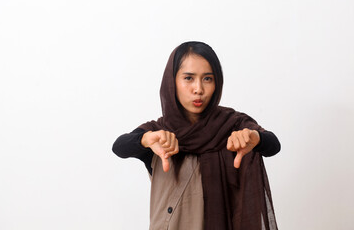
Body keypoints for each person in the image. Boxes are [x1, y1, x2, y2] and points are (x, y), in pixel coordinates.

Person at [112, 41, 281, 230]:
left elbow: (273, 144)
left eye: (207, 78)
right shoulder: (160, 133)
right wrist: (145, 140)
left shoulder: (233, 125)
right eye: (188, 78)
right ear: (172, 81)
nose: (198, 89)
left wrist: (256, 139)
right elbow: (119, 146)